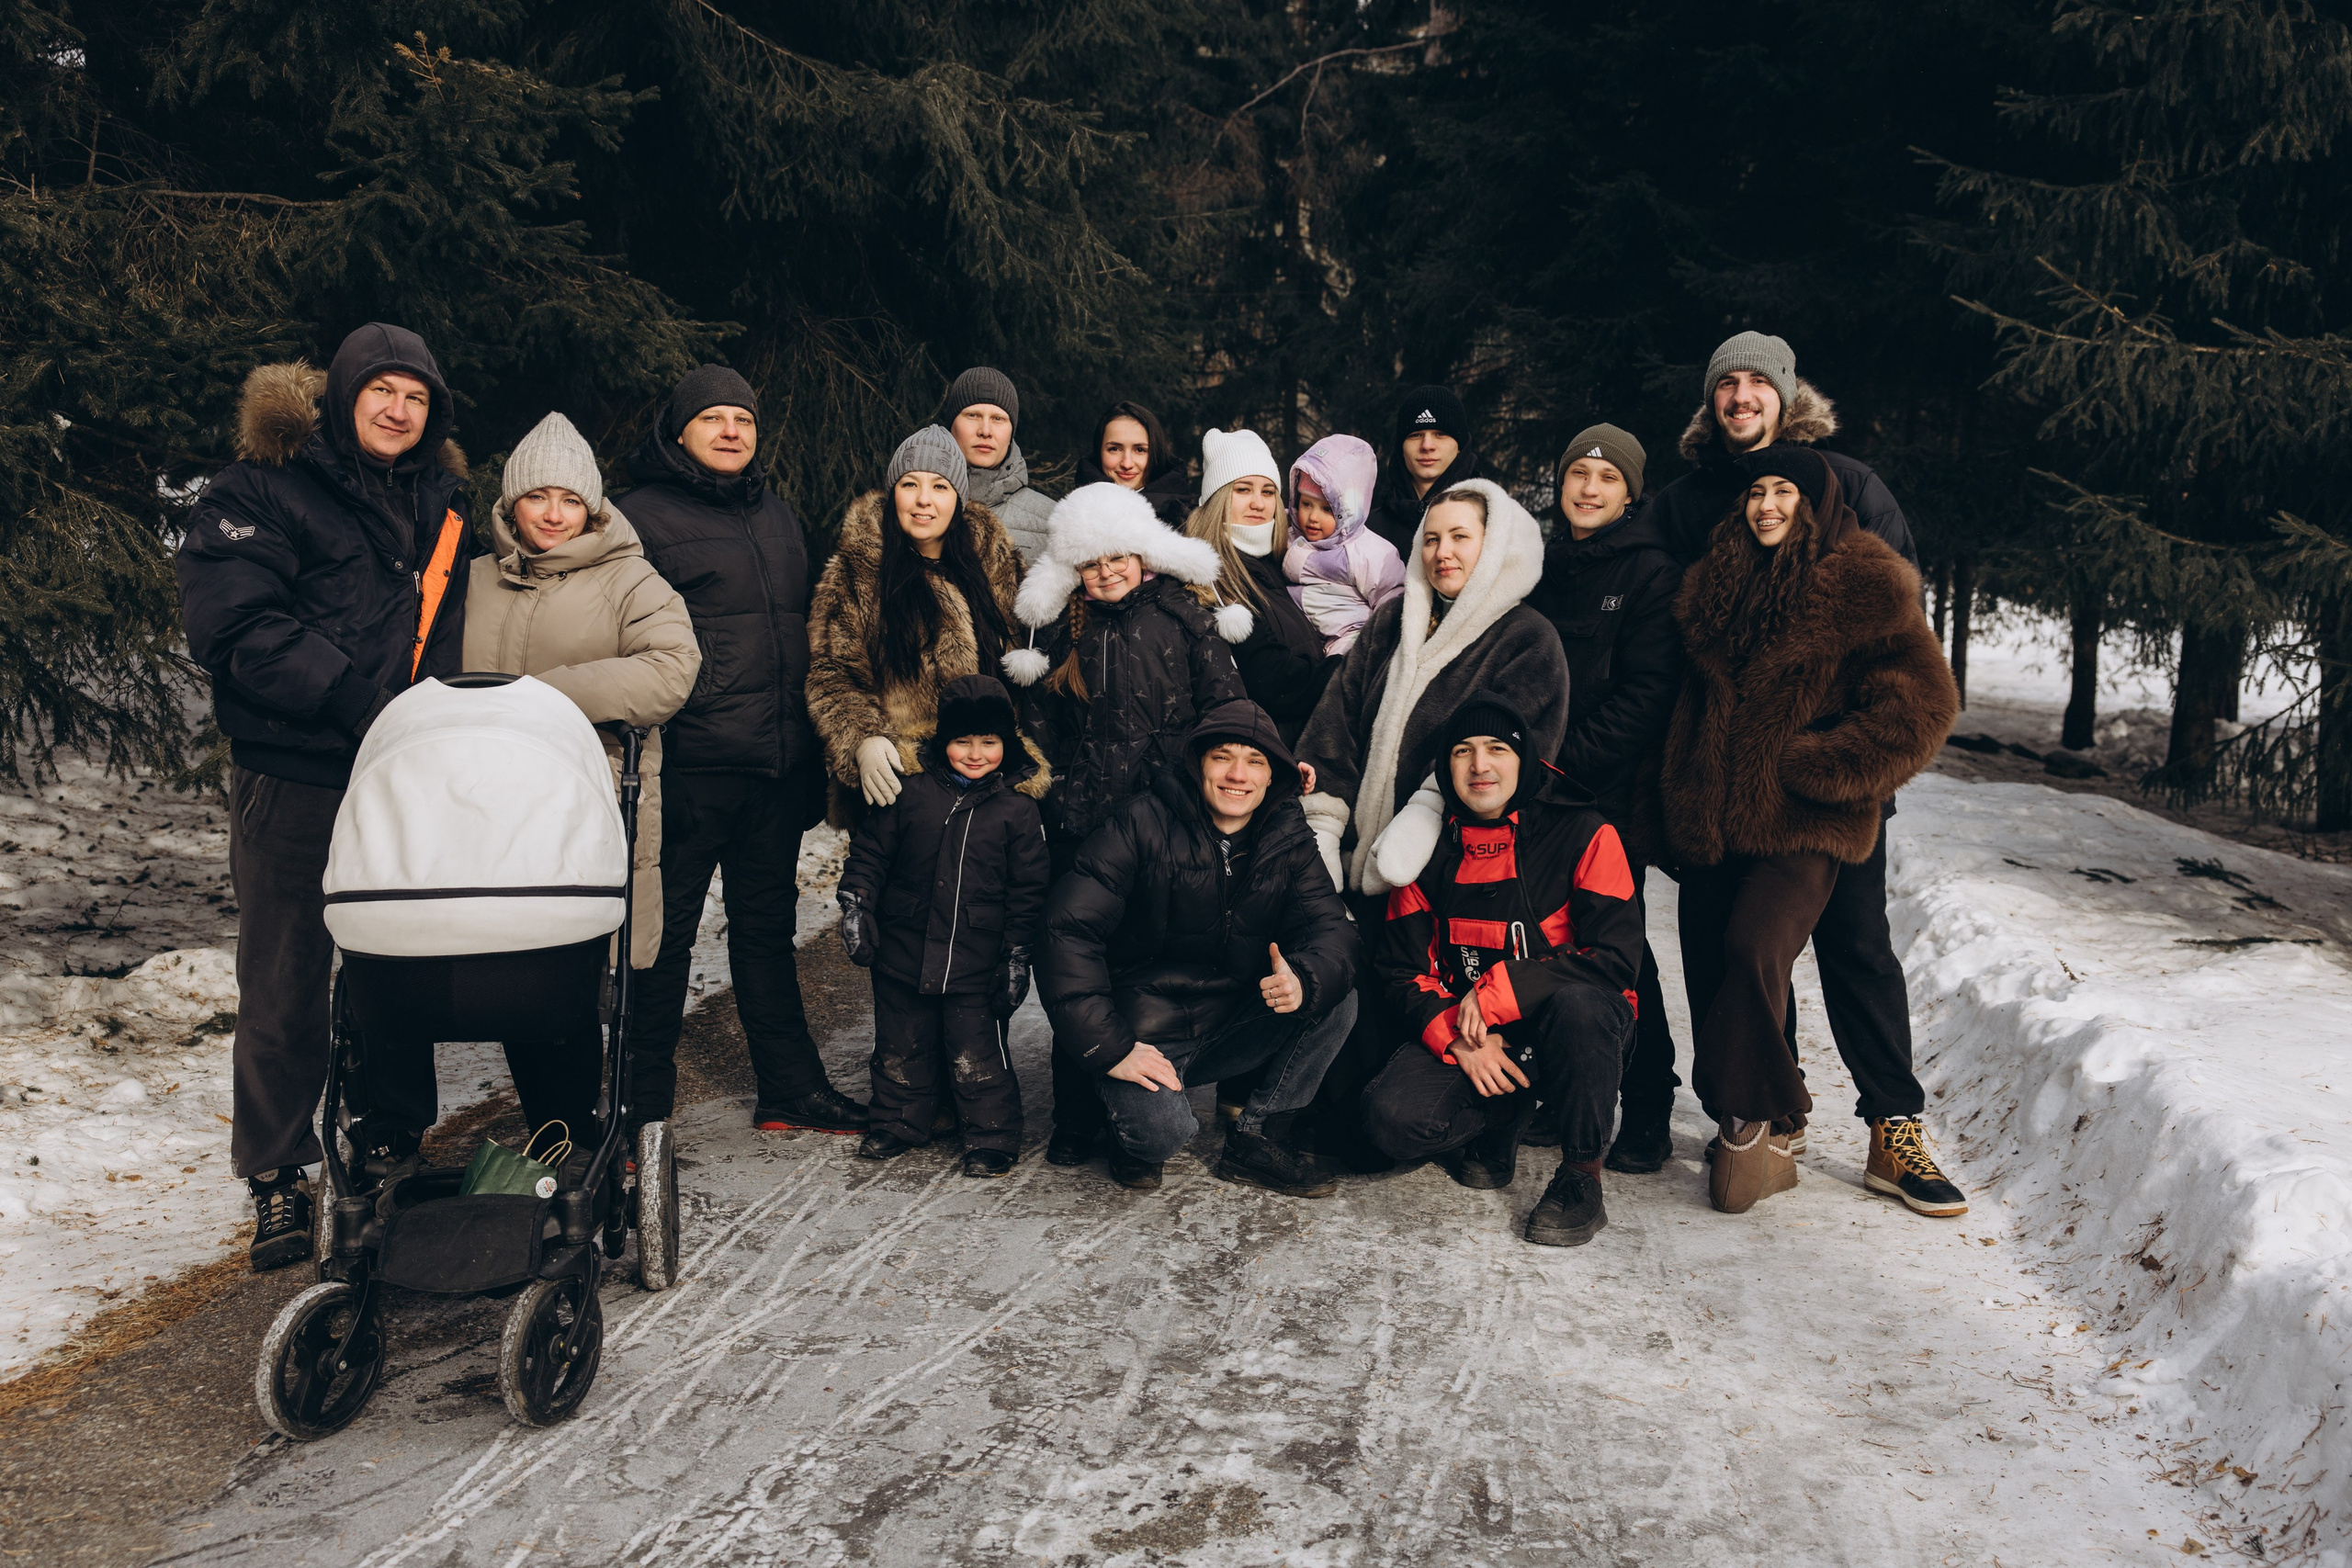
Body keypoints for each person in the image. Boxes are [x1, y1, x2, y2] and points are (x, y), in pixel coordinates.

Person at [176, 322, 476, 1270]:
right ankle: (276, 1177)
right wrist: (354, 696)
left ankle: (389, 1134)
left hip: (402, 771)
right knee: (285, 980)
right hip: (297, 771)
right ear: (342, 395)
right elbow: (235, 624)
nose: (398, 409)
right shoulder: (258, 490)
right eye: (382, 390)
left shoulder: (443, 502)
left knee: (399, 961)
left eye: (417, 396)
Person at [1646, 332, 1934, 1175]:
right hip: (1719, 783)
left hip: (1827, 791)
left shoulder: (1852, 484)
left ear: (1786, 395)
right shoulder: (1687, 501)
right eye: (1725, 383)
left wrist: (1843, 764)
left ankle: (1894, 1122)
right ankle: (1774, 1102)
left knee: (1855, 947)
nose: (1740, 397)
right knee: (1728, 949)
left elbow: (1895, 627)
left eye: (1756, 383)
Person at [1292, 479, 1568, 1167]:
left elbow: (1515, 754)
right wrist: (1325, 820)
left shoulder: (1527, 638)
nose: (1444, 552)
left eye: (1461, 537)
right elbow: (1336, 719)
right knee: (1359, 1026)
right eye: (1433, 537)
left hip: (1455, 875)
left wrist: (1427, 810)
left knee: (1428, 1019)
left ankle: (1489, 1108)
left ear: (1494, 542)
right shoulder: (1393, 621)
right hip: (1366, 859)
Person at [621, 365, 863, 1139]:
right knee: (663, 948)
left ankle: (790, 1088)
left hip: (770, 770)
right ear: (679, 430)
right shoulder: (637, 518)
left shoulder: (779, 517)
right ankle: (637, 1113)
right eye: (714, 418)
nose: (731, 430)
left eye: (744, 419)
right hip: (688, 770)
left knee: (766, 934)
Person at [454, 412, 701, 1141]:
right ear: (511, 503)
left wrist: (546, 695)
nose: (554, 515)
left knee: (585, 967)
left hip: (591, 805)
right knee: (515, 967)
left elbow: (670, 669)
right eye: (539, 498)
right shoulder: (471, 581)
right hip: (486, 809)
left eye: (571, 500)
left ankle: (609, 1128)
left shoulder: (631, 579)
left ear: (594, 507)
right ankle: (555, 1129)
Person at [1001, 482, 1250, 1165]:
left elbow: (1226, 709)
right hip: (1089, 822)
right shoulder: (1061, 633)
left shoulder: (1184, 617)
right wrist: (1048, 800)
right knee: (1085, 965)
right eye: (1091, 562)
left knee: (1153, 958)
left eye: (1118, 556)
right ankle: (1076, 1115)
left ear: (1143, 553)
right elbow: (1037, 732)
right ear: (1073, 569)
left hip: (1172, 818)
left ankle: (1148, 1098)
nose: (1107, 571)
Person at [1038, 701, 1359, 1193]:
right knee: (1161, 1136)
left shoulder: (1286, 833)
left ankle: (1255, 1137)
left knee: (1333, 994)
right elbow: (1066, 931)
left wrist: (1303, 977)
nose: (1238, 774)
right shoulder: (1141, 822)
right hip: (1142, 1030)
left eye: (1255, 762)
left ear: (1273, 776)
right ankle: (1121, 1118)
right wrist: (1110, 1048)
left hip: (1230, 1019)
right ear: (1197, 764)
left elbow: (1331, 929)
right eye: (1222, 757)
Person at [1362, 696, 1644, 1247]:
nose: (1479, 766)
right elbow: (1399, 970)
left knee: (1581, 1006)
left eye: (1497, 750)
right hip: (1473, 1034)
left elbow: (1616, 959)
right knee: (1391, 1120)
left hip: (1573, 1031)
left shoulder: (1586, 832)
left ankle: (1581, 1175)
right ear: (1445, 770)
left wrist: (1499, 993)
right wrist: (1459, 1040)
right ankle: (1503, 1110)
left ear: (1526, 760)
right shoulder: (1427, 848)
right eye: (1462, 752)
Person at [1525, 424, 1685, 1174]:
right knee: (1548, 941)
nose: (1589, 488)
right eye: (1577, 473)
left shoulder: (1651, 572)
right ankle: (1563, 1092)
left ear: (1630, 491)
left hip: (1604, 797)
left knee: (1619, 949)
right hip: (1532, 789)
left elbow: (1646, 694)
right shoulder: (1541, 564)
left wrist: (1559, 767)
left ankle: (1649, 1102)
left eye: (1607, 478)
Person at [835, 675, 1048, 1178]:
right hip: (903, 948)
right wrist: (856, 902)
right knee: (900, 1043)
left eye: (989, 742)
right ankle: (898, 1122)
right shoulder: (910, 794)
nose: (976, 754)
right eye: (962, 741)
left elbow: (1028, 891)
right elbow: (870, 855)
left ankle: (991, 1135)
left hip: (975, 958)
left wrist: (1017, 954)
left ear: (1007, 744)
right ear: (941, 741)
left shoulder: (1018, 810)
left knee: (976, 1052)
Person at [808, 424, 1042, 824]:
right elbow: (832, 674)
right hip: (902, 784)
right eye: (909, 484)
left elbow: (1025, 667)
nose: (923, 500)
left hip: (987, 785)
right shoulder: (859, 570)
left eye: (939, 487)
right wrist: (862, 740)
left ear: (958, 498)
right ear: (892, 492)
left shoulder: (993, 562)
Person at [1182, 427, 1332, 745]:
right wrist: (1353, 668)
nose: (1258, 503)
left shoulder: (1279, 564)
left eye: (1267, 492)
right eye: (1243, 489)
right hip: (1268, 756)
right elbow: (1275, 681)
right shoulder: (1212, 574)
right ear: (1218, 498)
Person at [1282, 434, 1407, 659]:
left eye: (1327, 509)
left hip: (1351, 634)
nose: (1312, 517)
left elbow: (1392, 598)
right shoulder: (1289, 532)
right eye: (1306, 504)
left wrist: (1380, 641)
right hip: (1304, 634)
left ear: (1349, 511)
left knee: (1340, 674)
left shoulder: (1369, 553)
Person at [941, 367, 1057, 565]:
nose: (985, 431)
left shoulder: (1053, 520)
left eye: (998, 419)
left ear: (1011, 432)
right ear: (951, 426)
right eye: (973, 415)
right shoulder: (914, 509)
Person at [1365, 384, 1482, 557]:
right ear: (1401, 448)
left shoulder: (1491, 520)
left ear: (1460, 446)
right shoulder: (1368, 531)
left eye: (1440, 434)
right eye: (1415, 435)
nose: (1427, 445)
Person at [1077, 400, 1193, 526]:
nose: (1127, 464)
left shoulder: (1189, 524)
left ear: (1156, 454)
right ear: (1099, 453)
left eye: (1140, 450)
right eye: (1114, 449)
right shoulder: (1070, 514)